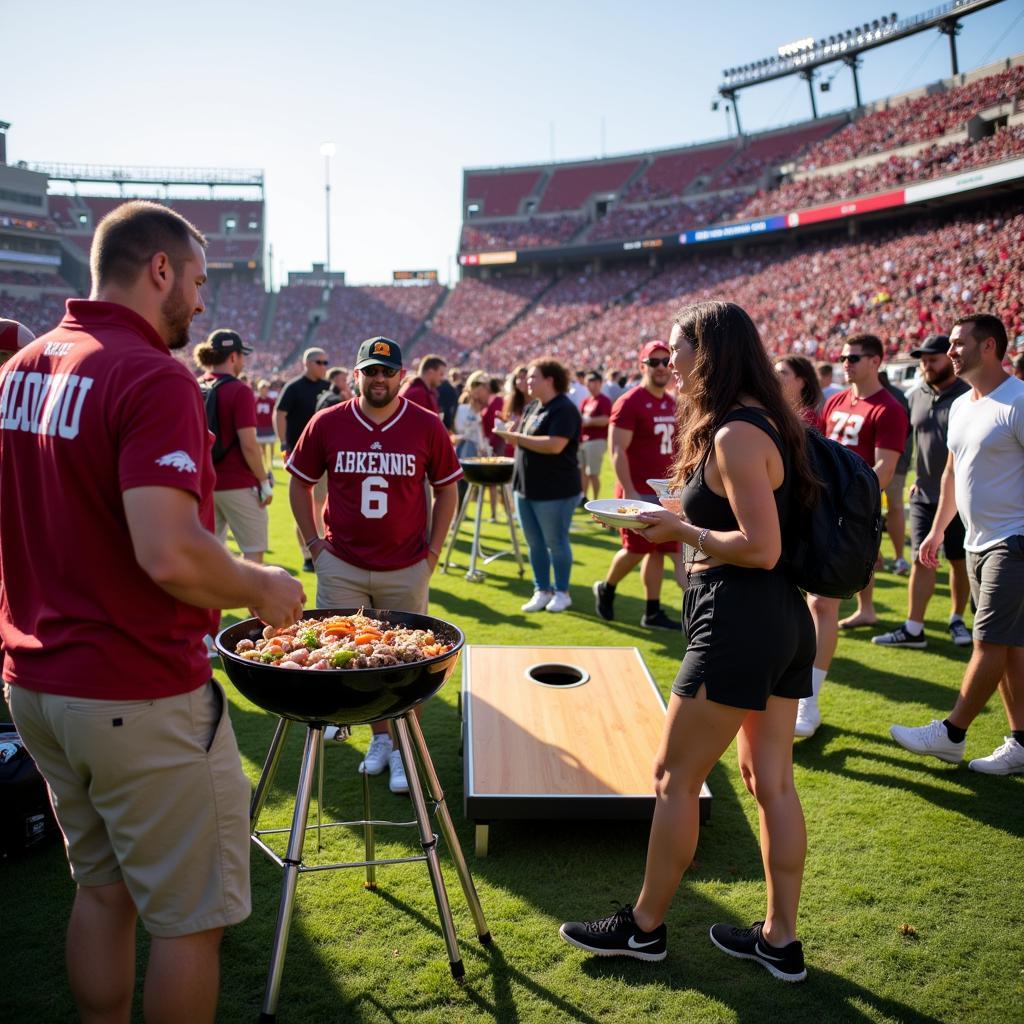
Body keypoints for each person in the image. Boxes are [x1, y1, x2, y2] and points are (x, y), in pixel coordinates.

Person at [0, 199, 305, 1024]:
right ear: (159, 269)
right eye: (198, 281)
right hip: (133, 685)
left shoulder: (22, 364)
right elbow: (168, 551)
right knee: (189, 924)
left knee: (100, 893)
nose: (202, 304)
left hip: (36, 683)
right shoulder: (150, 373)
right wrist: (261, 585)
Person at [559, 301, 818, 981]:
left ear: (712, 351)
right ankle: (779, 940)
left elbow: (759, 548)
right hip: (779, 622)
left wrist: (682, 532)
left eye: (678, 348)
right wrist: (679, 514)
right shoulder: (766, 421)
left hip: (740, 617)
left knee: (675, 778)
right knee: (772, 783)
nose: (669, 360)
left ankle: (643, 928)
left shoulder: (735, 432)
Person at [287, 336, 461, 793]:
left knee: (408, 663)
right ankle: (380, 739)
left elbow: (447, 489)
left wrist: (434, 552)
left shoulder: (425, 424)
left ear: (401, 375)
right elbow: (298, 483)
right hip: (341, 561)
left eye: (387, 371)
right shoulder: (328, 422)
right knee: (354, 662)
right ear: (356, 374)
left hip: (406, 564)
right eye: (370, 371)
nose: (378, 379)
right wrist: (313, 545)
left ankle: (403, 747)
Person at [891, 314, 1024, 775]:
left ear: (989, 347)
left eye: (957, 343)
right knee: (1010, 647)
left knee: (988, 641)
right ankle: (1021, 741)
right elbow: (952, 474)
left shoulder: (1019, 401)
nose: (950, 351)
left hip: (1014, 540)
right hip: (976, 541)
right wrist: (935, 529)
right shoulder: (964, 405)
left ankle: (951, 734)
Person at [797, 334, 908, 738]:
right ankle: (796, 687)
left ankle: (809, 701)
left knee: (823, 603)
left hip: (850, 516)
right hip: (820, 512)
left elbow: (885, 468)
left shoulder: (889, 408)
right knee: (809, 599)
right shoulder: (836, 402)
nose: (846, 362)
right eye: (842, 356)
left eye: (854, 357)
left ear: (876, 361)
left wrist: (846, 504)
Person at [873, 335, 971, 649]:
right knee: (920, 559)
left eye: (933, 359)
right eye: (923, 360)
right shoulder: (917, 395)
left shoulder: (969, 395)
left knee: (958, 560)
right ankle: (914, 627)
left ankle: (956, 618)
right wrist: (915, 473)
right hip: (925, 493)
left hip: (961, 496)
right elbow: (914, 439)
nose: (926, 365)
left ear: (950, 359)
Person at [593, 341, 683, 632]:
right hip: (638, 489)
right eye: (654, 361)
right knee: (636, 551)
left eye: (665, 361)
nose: (661, 367)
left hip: (666, 490)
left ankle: (653, 611)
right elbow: (617, 449)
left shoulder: (672, 401)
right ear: (642, 365)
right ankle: (606, 587)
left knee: (664, 550)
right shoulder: (630, 401)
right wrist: (630, 491)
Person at [493, 358, 582, 614]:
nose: (527, 382)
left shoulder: (564, 408)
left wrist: (514, 437)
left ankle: (562, 591)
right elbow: (527, 439)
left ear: (549, 380)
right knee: (534, 542)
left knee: (556, 541)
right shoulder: (533, 406)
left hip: (555, 489)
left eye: (533, 377)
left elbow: (555, 445)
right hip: (526, 487)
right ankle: (542, 589)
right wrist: (513, 432)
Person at [194, 329, 273, 564]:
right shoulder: (239, 390)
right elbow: (249, 444)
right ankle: (254, 603)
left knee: (207, 558)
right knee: (253, 554)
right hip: (238, 483)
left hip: (204, 482)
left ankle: (207, 603)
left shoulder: (194, 384)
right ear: (233, 357)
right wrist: (263, 482)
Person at [275, 347, 330, 570]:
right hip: (302, 456)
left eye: (326, 362)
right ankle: (307, 554)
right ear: (307, 363)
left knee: (323, 504)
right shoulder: (294, 387)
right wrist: (284, 443)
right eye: (320, 362)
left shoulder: (328, 388)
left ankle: (323, 548)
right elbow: (280, 414)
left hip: (325, 455)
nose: (324, 366)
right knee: (305, 506)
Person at [879, 368, 913, 576]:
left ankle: (899, 558)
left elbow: (907, 434)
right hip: (873, 464)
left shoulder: (896, 397)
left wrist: (901, 461)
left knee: (895, 508)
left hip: (895, 463)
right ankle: (877, 558)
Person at [579, 370, 612, 501]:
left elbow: (605, 419)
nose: (588, 385)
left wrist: (588, 421)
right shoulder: (586, 400)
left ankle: (596, 499)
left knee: (592, 472)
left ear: (598, 383)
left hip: (596, 439)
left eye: (591, 382)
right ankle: (584, 497)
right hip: (583, 439)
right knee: (582, 471)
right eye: (587, 383)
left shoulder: (604, 400)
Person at [774, 354, 824, 431]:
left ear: (802, 382)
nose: (775, 377)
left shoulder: (809, 419)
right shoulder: (777, 411)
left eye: (782, 372)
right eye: (774, 372)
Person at [452, 370, 490, 458]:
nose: (487, 391)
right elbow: (462, 432)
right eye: (484, 387)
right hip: (466, 454)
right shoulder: (463, 410)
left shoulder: (480, 412)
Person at [254, 378, 277, 468]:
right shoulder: (255, 401)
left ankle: (271, 461)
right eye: (263, 389)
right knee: (262, 447)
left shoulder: (271, 401)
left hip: (270, 426)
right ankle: (264, 461)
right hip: (260, 427)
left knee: (271, 445)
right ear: (259, 389)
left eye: (266, 389)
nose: (265, 390)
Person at [502, 364, 528, 430]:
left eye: (524, 377)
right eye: (518, 378)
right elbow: (507, 420)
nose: (520, 381)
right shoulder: (512, 400)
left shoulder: (537, 402)